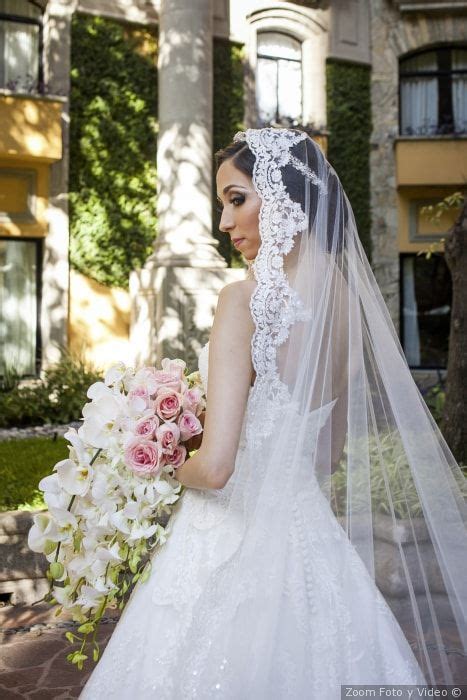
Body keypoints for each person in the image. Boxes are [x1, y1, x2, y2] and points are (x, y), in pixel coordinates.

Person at [80, 128, 467, 698]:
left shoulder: (243, 300)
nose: (224, 222)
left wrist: (155, 460)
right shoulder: (348, 311)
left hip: (227, 539)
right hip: (312, 543)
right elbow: (325, 458)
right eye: (222, 204)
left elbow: (215, 470)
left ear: (286, 199)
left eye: (237, 199)